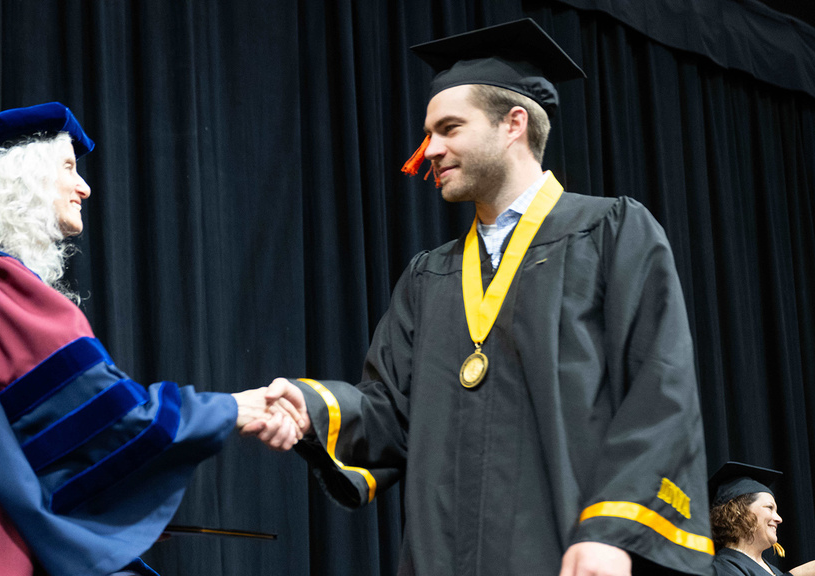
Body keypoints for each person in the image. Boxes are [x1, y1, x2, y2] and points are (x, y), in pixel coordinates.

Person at [252, 18, 713, 575]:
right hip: (443, 556)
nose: (430, 150)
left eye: (448, 128)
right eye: (429, 133)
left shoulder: (610, 233)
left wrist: (610, 531)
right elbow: (388, 412)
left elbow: (659, 387)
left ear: (513, 123)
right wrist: (314, 408)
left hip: (571, 551)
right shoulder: (430, 277)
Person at [0, 102, 306, 576]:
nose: (85, 187)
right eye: (68, 167)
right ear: (21, 180)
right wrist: (229, 410)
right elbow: (100, 414)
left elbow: (22, 442)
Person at [709, 462, 815, 576]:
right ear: (739, 511)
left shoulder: (774, 571)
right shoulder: (721, 567)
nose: (779, 519)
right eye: (769, 507)